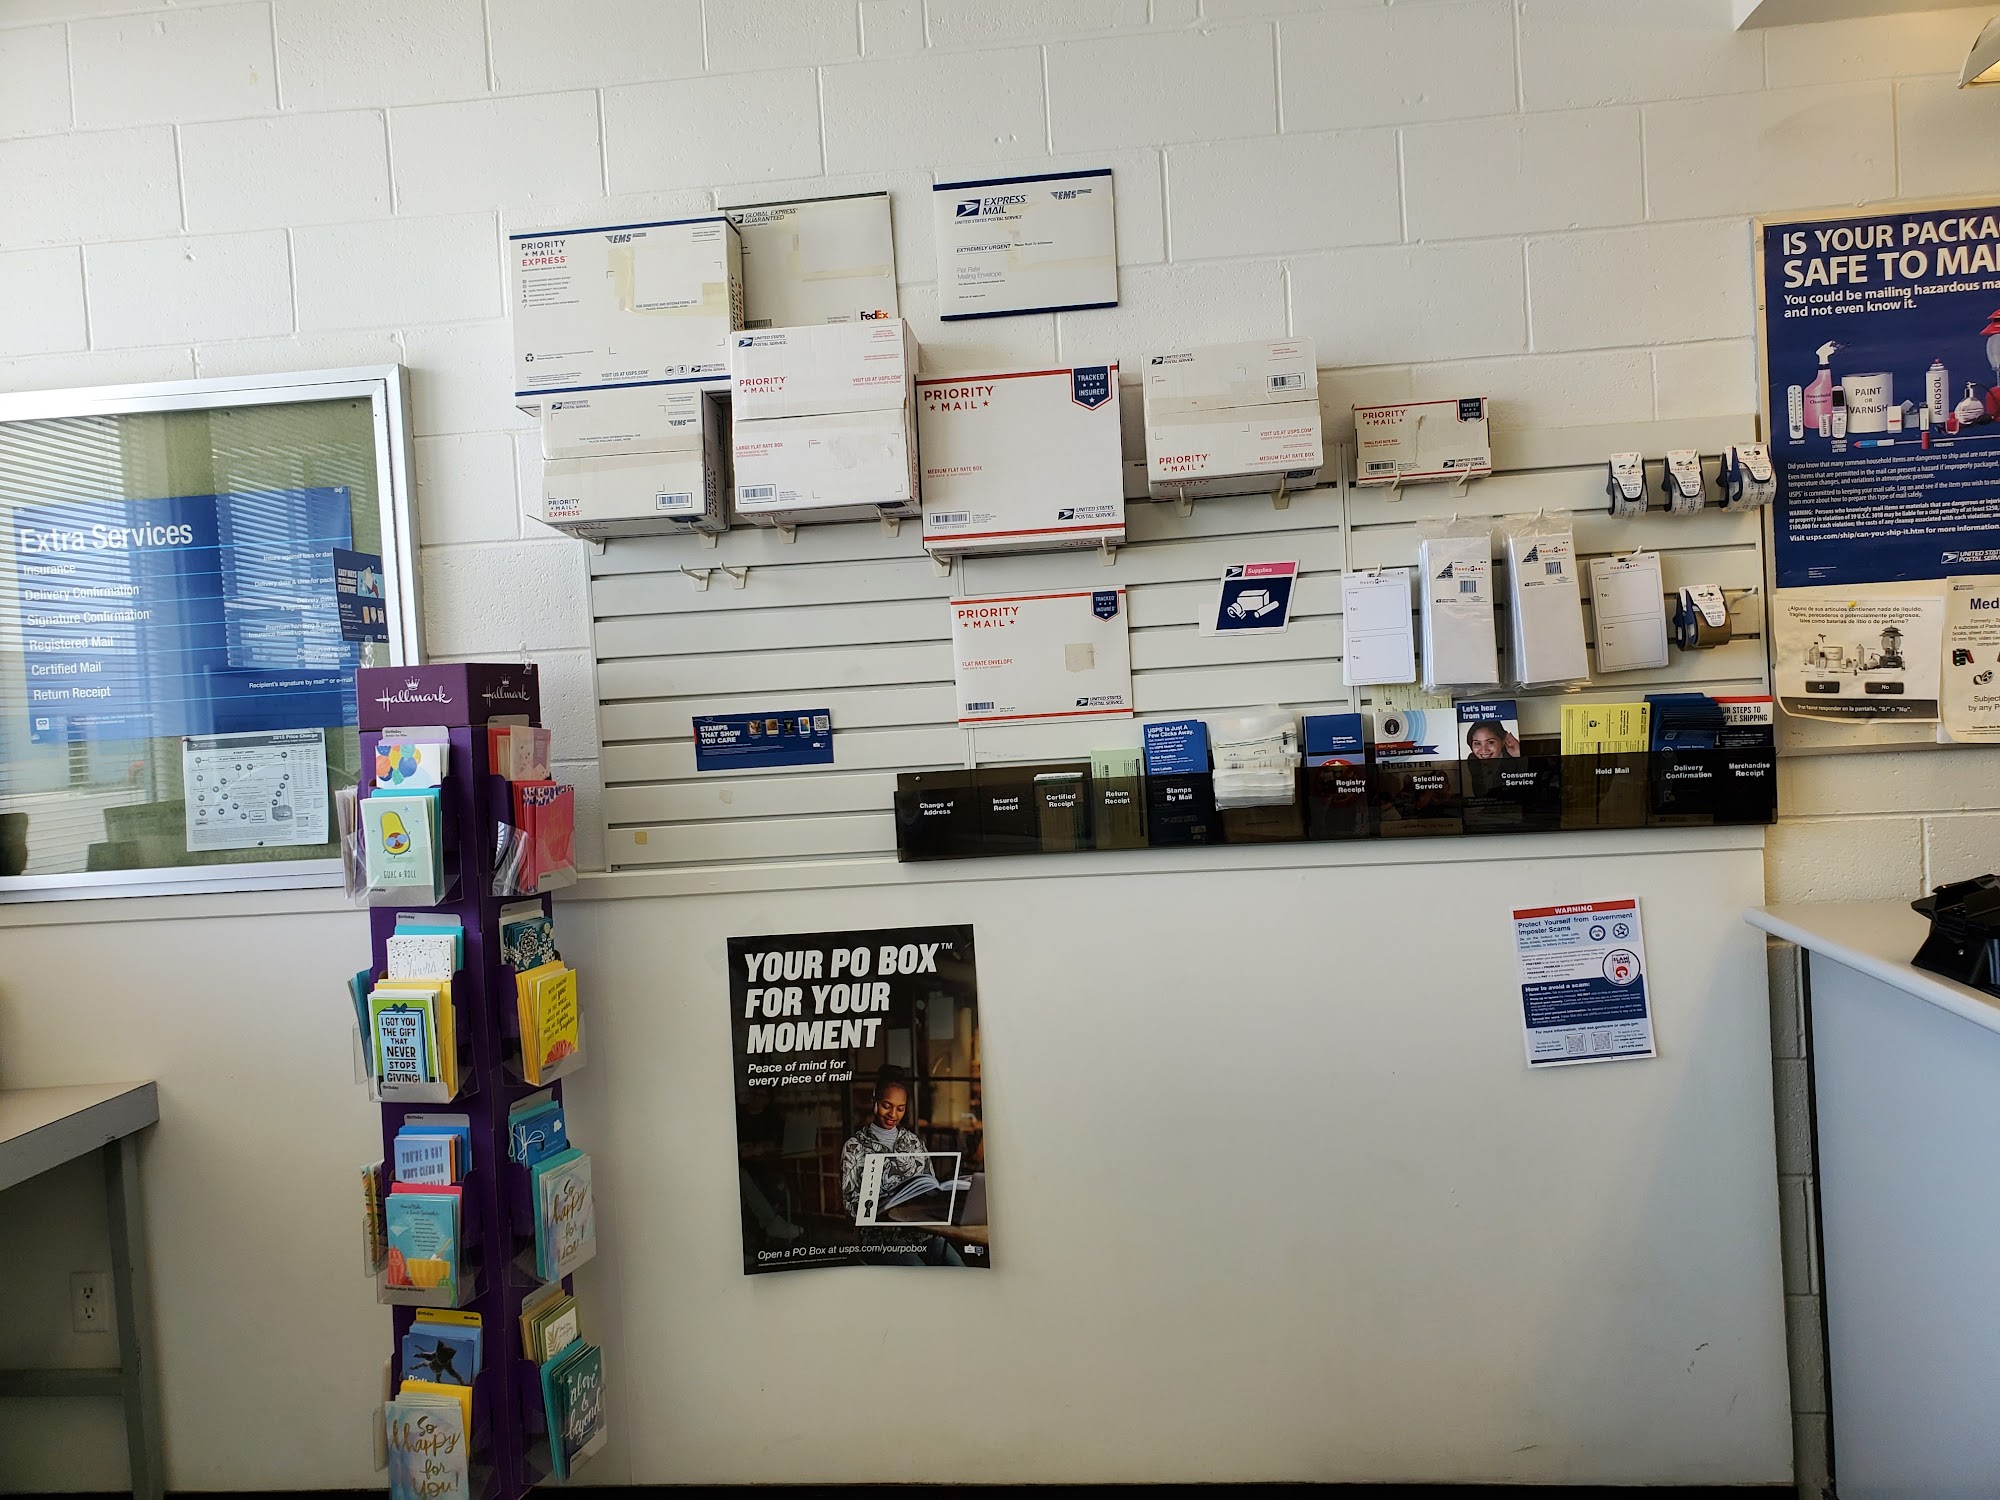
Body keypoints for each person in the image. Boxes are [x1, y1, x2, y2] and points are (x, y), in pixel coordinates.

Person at [840, 1068, 927, 1219]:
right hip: (877, 1228)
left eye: (900, 1109)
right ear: (874, 1102)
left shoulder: (914, 1143)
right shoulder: (854, 1147)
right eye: (886, 1106)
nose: (893, 1114)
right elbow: (850, 1205)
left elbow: (928, 1187)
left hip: (913, 1225)